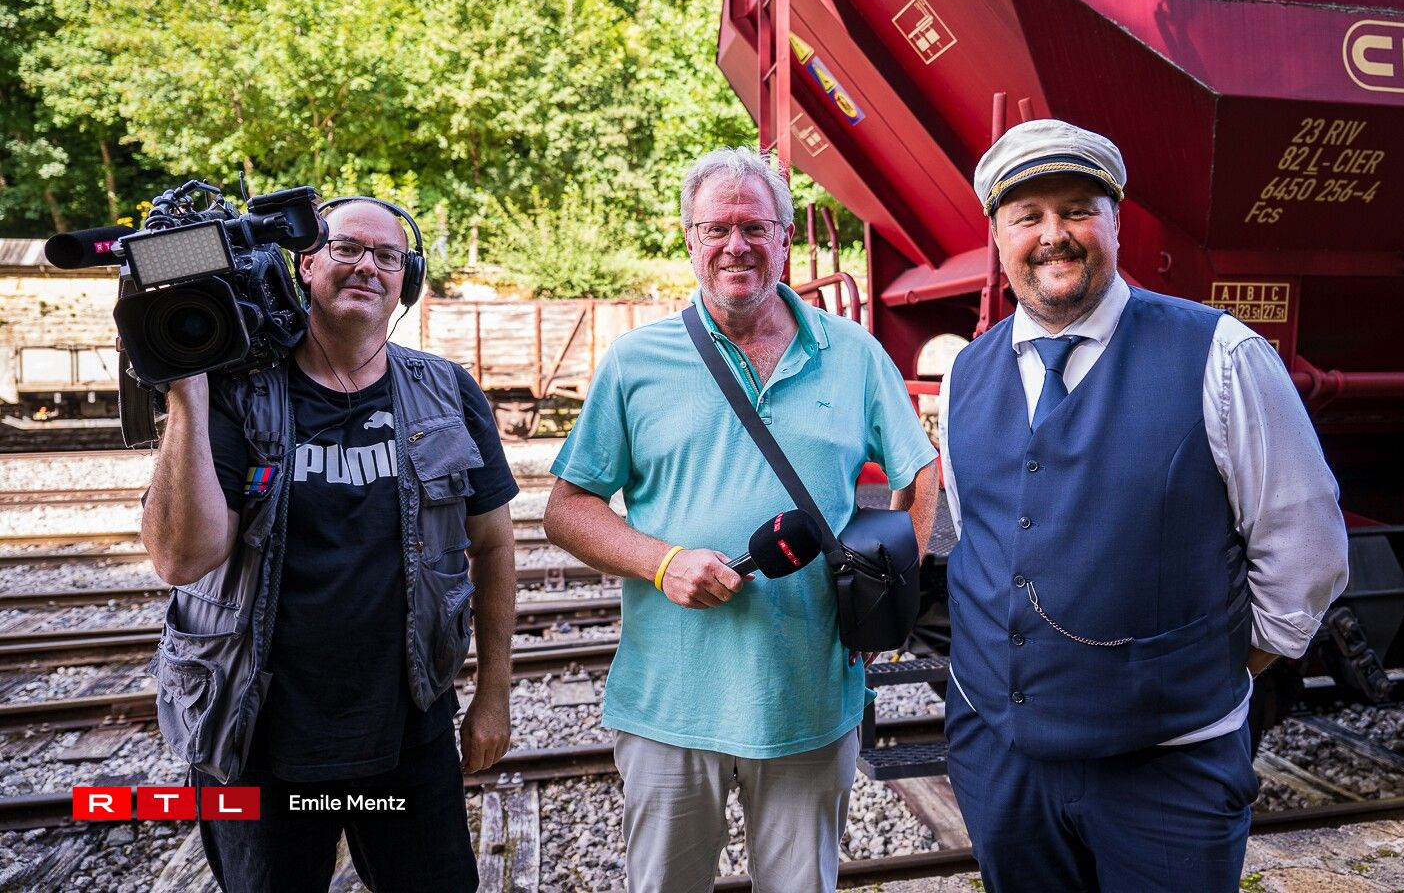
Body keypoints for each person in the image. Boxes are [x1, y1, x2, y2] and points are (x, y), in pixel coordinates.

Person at [938, 119, 1349, 892]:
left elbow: (1306, 548)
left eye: (1078, 209)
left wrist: (1213, 668)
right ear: (997, 235)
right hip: (1001, 764)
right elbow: (977, 532)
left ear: (1116, 221)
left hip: (1168, 770)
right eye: (1027, 216)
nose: (1053, 235)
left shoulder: (1220, 353)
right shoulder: (966, 372)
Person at [543, 147, 939, 893]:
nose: (736, 246)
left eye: (755, 227)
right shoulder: (636, 361)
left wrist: (888, 600)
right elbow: (567, 510)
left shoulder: (853, 354)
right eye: (716, 228)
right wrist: (662, 563)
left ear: (784, 238)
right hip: (668, 705)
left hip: (809, 702)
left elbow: (921, 473)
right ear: (689, 238)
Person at [142, 198, 517, 893]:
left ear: (408, 280)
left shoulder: (446, 392)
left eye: (387, 256)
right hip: (254, 743)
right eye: (347, 249)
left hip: (409, 736)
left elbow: (492, 547)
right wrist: (188, 389)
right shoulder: (236, 394)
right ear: (307, 265)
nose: (367, 266)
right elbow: (181, 558)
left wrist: (492, 696)